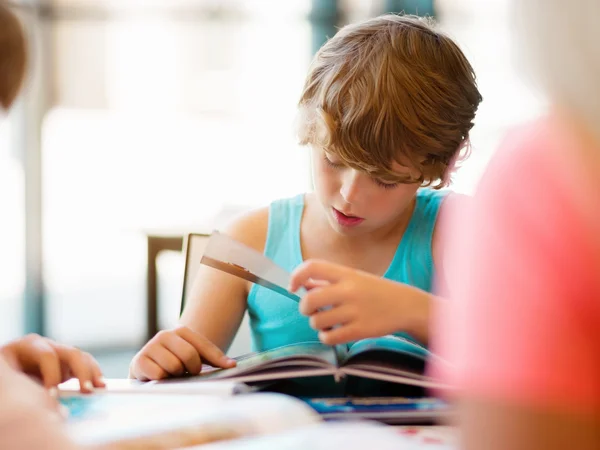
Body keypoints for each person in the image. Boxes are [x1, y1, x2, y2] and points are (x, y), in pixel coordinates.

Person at [130, 14, 482, 381]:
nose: (349, 195)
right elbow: (180, 378)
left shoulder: (458, 230)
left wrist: (416, 310)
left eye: (385, 180)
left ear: (438, 166)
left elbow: (531, 363)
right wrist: (155, 365)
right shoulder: (246, 241)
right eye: (333, 161)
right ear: (308, 131)